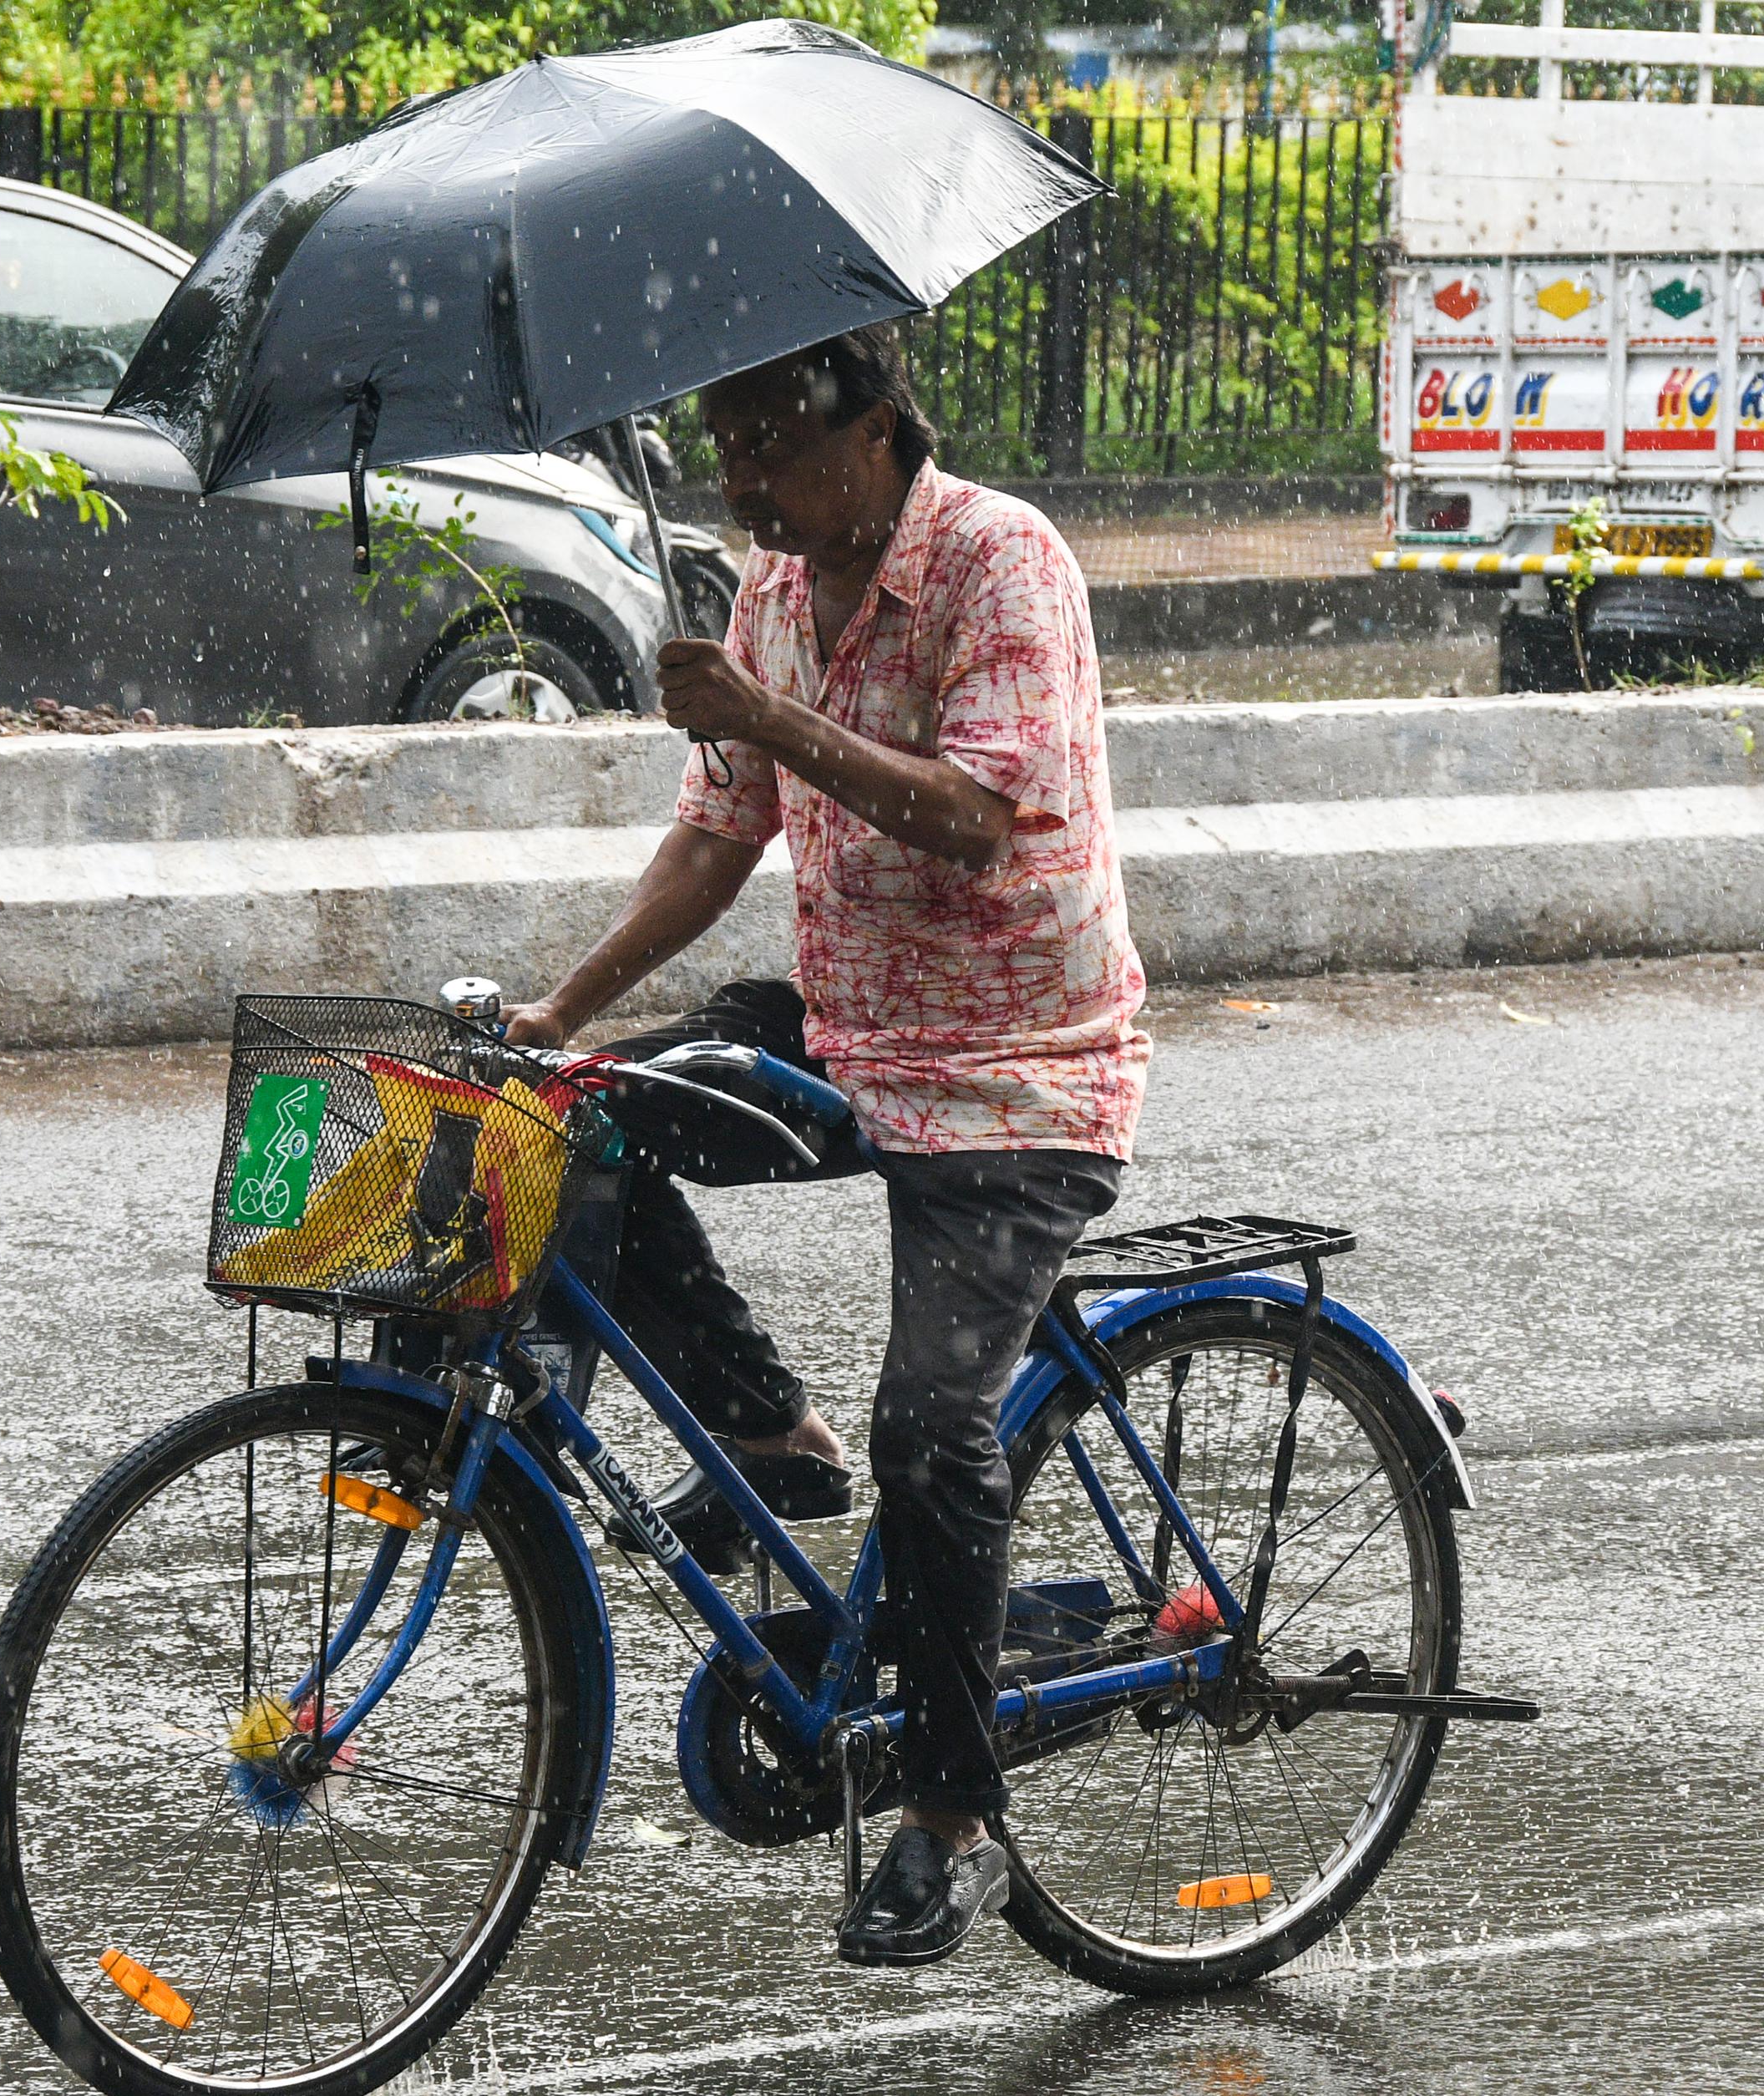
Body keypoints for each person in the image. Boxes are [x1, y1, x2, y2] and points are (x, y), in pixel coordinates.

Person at [503, 322, 1148, 1967]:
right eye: (721, 447)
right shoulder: (777, 591)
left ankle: (954, 1818)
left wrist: (771, 726)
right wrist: (561, 1014)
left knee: (935, 1425)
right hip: (851, 1035)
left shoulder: (1002, 559)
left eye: (768, 442)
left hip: (1020, 1066)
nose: (742, 478)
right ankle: (769, 1440)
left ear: (870, 431)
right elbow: (720, 837)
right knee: (576, 1136)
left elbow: (974, 812)